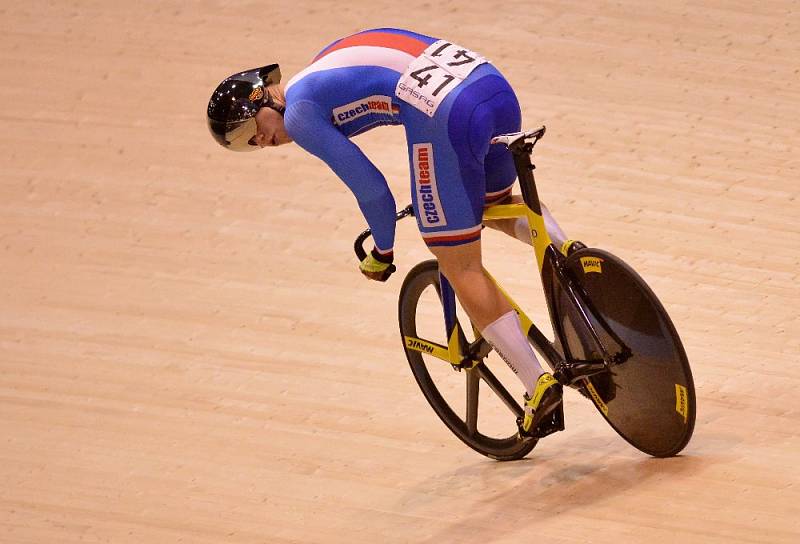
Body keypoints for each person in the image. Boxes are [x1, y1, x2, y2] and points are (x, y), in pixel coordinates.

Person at [207, 28, 567, 435]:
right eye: (245, 145)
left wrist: (383, 250)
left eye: (244, 130)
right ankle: (573, 259)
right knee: (489, 204)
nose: (259, 142)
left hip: (444, 113)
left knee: (457, 262)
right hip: (491, 85)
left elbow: (373, 191)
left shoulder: (299, 113)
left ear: (261, 99)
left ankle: (538, 385)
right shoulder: (322, 63)